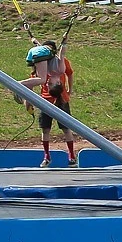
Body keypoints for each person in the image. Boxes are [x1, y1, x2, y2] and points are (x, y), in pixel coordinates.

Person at [24, 40, 76, 168]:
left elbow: (69, 73)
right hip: (45, 100)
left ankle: (71, 156)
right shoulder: (41, 64)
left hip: (61, 98)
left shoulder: (59, 64)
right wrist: (28, 102)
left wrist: (69, 89)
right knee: (45, 129)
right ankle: (46, 156)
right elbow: (31, 83)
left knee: (65, 128)